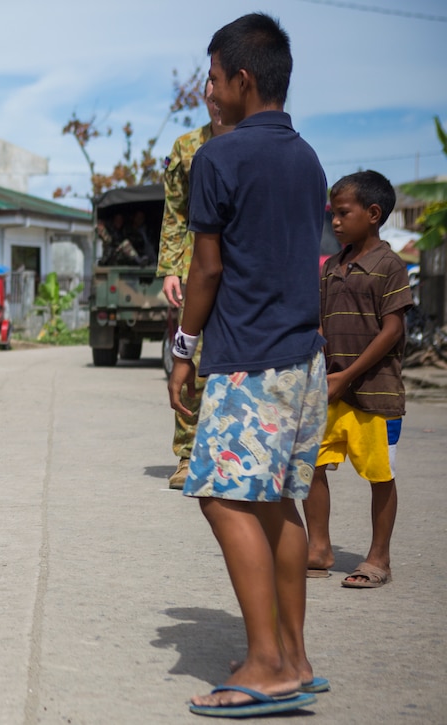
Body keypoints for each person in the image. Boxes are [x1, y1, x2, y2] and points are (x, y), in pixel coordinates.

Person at [167, 14, 327, 717]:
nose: (209, 91)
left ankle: (265, 665)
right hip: (302, 359)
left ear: (243, 79)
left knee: (221, 495)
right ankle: (295, 654)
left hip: (248, 358)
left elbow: (206, 269)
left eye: (214, 77)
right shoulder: (308, 157)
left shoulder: (220, 157)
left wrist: (182, 347)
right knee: (275, 503)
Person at [304, 171, 412, 587]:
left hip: (375, 395)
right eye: (332, 213)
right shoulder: (331, 266)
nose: (334, 222)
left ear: (373, 213)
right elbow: (318, 321)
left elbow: (392, 330)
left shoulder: (389, 265)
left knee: (380, 476)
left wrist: (348, 374)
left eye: (343, 213)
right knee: (311, 466)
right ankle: (319, 548)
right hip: (330, 392)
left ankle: (378, 558)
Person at [157, 80, 232, 489]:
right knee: (191, 359)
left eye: (220, 94)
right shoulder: (187, 147)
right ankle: (188, 454)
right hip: (193, 267)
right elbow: (174, 212)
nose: (215, 103)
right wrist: (170, 267)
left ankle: (227, 451)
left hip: (240, 269)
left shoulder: (251, 143)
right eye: (209, 96)